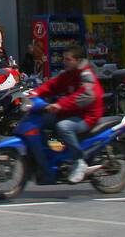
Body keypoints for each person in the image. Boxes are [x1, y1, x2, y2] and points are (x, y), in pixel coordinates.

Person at [34, 44, 104, 183]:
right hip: (70, 112)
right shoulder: (68, 73)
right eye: (64, 59)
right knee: (40, 120)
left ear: (77, 60)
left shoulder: (86, 74)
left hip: (88, 116)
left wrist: (60, 105)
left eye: (68, 59)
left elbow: (86, 95)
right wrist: (35, 93)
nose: (64, 62)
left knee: (63, 127)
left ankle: (79, 161)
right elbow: (53, 85)